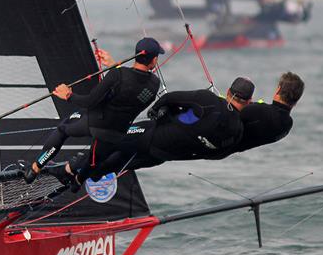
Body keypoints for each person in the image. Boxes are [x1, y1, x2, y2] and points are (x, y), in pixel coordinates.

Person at [23, 37, 163, 184]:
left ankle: (34, 169)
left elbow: (89, 102)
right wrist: (114, 67)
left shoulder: (118, 75)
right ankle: (76, 182)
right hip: (116, 133)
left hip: (96, 122)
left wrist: (69, 95)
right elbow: (132, 87)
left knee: (63, 130)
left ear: (136, 54)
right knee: (92, 161)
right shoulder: (154, 84)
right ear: (153, 60)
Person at [71, 76, 255, 186]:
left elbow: (169, 97)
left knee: (109, 142)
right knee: (112, 165)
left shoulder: (208, 100)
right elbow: (215, 155)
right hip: (160, 156)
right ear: (249, 101)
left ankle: (69, 170)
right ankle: (79, 180)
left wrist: (154, 112)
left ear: (229, 90)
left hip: (150, 135)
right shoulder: (237, 132)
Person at [231, 71, 303, 153]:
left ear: (278, 89)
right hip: (226, 150)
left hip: (219, 145)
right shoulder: (288, 125)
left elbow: (230, 112)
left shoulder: (259, 111)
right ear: (296, 102)